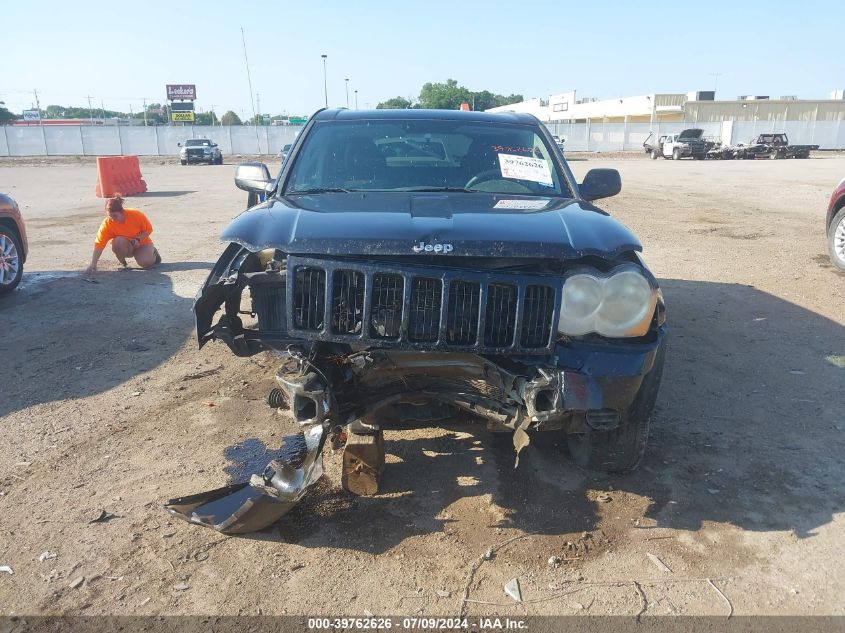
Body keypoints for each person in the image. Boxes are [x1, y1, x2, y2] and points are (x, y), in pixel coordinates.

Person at [85, 195, 160, 274]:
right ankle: (123, 263)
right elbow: (99, 244)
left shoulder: (136, 215)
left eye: (115, 216)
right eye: (110, 216)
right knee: (118, 241)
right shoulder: (107, 224)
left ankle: (153, 253)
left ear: (122, 212)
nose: (112, 219)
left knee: (145, 263)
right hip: (126, 246)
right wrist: (93, 264)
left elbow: (148, 230)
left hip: (142, 243)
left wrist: (138, 239)